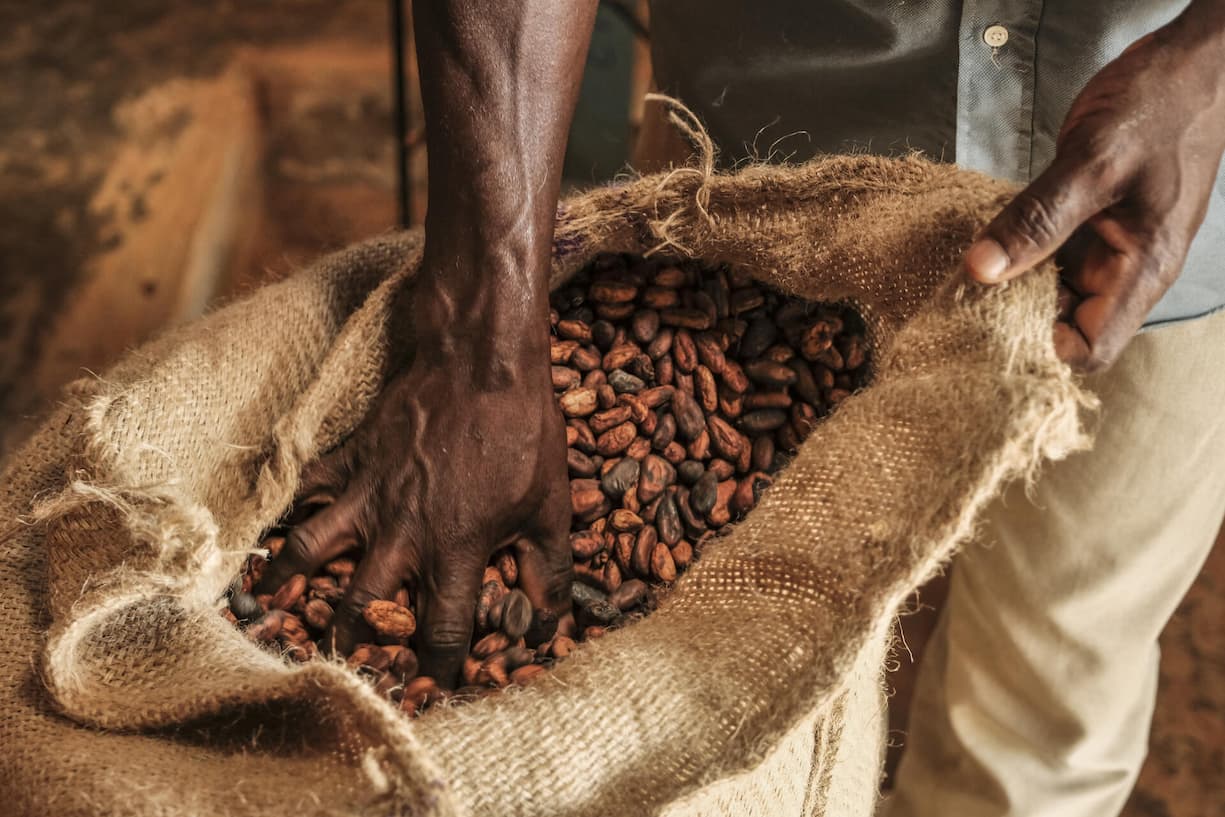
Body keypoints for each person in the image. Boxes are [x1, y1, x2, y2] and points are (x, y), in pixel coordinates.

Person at [262, 2, 1225, 814]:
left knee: (1045, 709)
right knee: (717, 698)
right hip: (758, 200)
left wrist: (1210, 64)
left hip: (1159, 211)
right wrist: (478, 343)